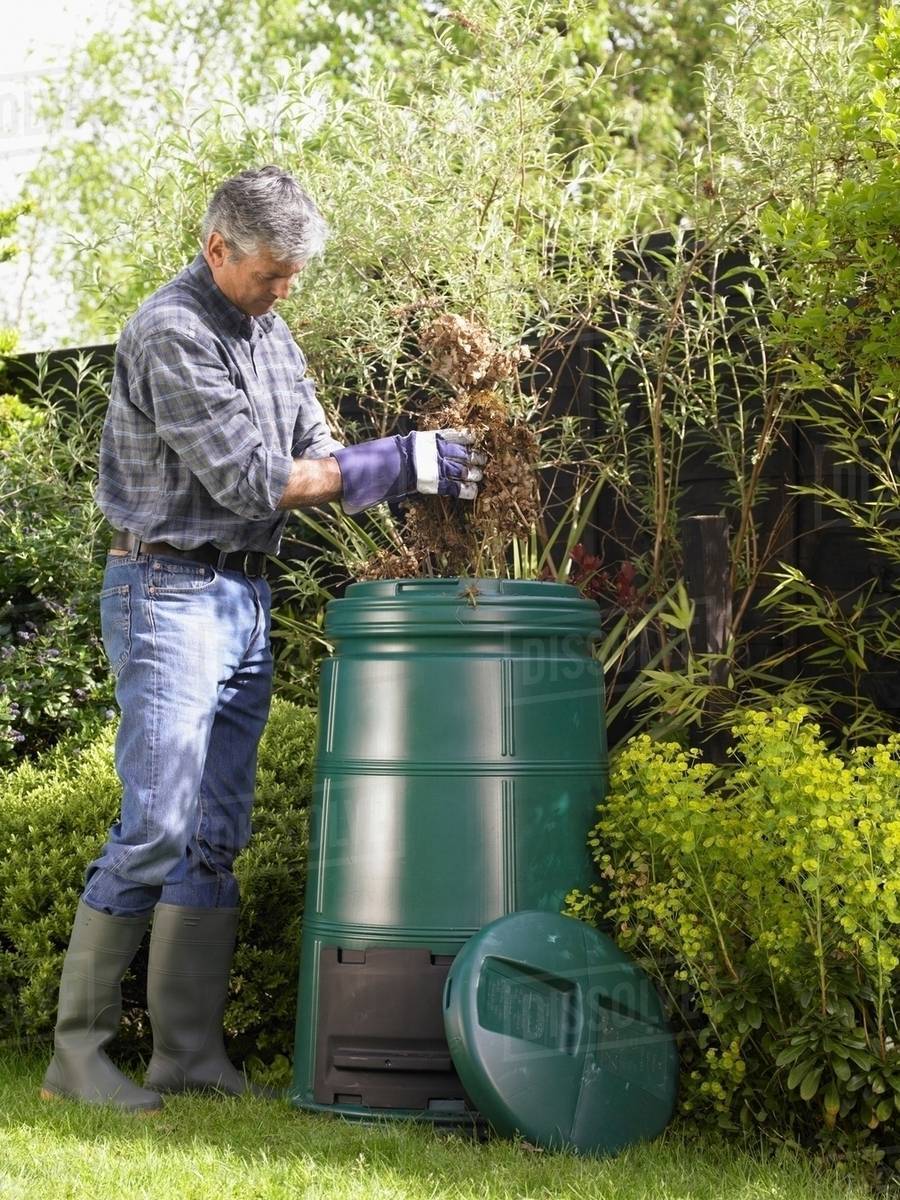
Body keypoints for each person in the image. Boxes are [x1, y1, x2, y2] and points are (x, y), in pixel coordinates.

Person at [40, 165, 486, 1112]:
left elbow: (314, 447)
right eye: (271, 274)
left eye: (293, 275)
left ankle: (187, 1055)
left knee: (214, 834)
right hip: (165, 590)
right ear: (218, 248)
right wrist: (400, 461)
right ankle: (76, 1057)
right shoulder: (170, 333)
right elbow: (252, 480)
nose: (285, 291)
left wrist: (359, 463)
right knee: (157, 823)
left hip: (241, 597)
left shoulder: (270, 330)